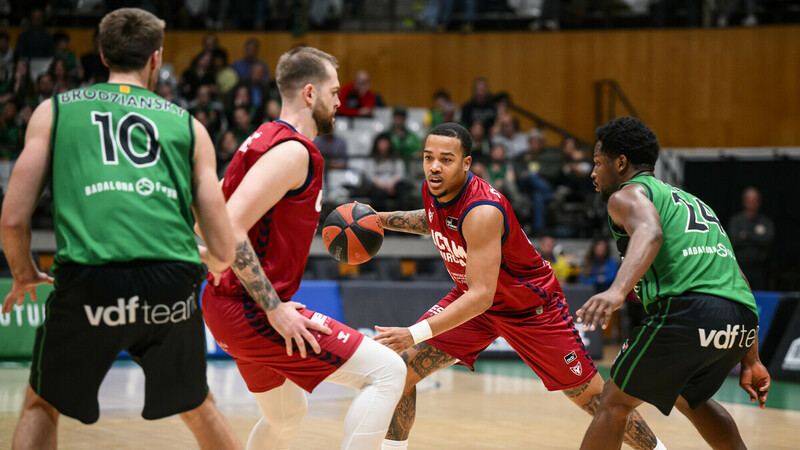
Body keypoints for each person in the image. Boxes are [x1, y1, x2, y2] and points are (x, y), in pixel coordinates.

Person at [0, 8, 240, 449]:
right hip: (170, 284)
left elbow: (13, 219)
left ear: (102, 54)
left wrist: (23, 273)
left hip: (90, 281)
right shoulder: (190, 126)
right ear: (156, 58)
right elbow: (224, 250)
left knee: (41, 402)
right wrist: (203, 257)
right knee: (198, 405)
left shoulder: (54, 112)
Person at [371, 123, 664, 450]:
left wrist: (413, 332)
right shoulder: (433, 189)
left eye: (446, 159)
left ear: (466, 164)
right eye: (428, 158)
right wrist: (379, 219)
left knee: (594, 399)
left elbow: (481, 295)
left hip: (531, 309)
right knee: (402, 370)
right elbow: (432, 219)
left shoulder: (483, 210)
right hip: (478, 301)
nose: (434, 166)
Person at [200, 46, 406, 450]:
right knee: (387, 372)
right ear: (309, 94)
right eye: (333, 91)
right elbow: (229, 230)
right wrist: (272, 307)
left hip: (225, 305)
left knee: (287, 415)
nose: (338, 101)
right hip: (250, 310)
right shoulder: (294, 151)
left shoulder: (260, 139)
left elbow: (204, 226)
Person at [576, 117, 770, 449]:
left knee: (613, 402)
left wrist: (616, 290)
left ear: (620, 163)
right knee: (690, 398)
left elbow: (649, 232)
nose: (593, 173)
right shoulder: (695, 203)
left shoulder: (627, 195)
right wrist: (750, 359)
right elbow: (735, 276)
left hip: (689, 312)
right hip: (740, 318)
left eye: (597, 163)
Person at [728, 187, 774, 290]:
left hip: (760, 268)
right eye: (749, 200)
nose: (751, 203)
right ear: (744, 202)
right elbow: (735, 239)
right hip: (741, 267)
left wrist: (746, 235)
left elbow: (768, 239)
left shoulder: (765, 221)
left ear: (759, 202)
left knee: (760, 297)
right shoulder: (736, 220)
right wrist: (756, 237)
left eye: (754, 200)